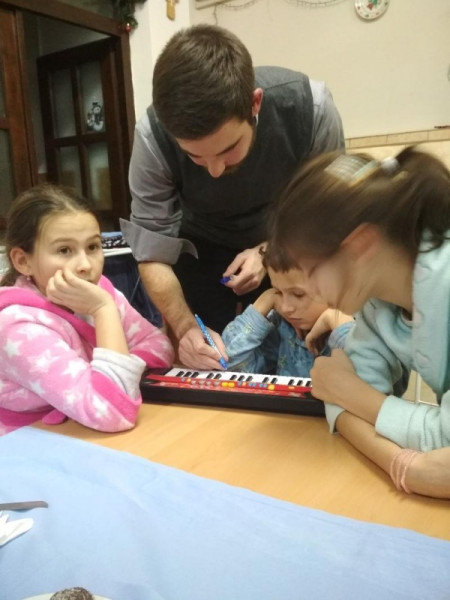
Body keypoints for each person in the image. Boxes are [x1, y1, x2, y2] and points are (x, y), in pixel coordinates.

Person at [120, 24, 345, 370]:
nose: (213, 170)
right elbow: (153, 254)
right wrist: (185, 328)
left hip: (291, 245)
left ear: (255, 103)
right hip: (198, 247)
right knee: (207, 362)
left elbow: (327, 215)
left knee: (294, 360)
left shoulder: (312, 109)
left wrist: (268, 251)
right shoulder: (153, 137)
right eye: (194, 156)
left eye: (228, 150)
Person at [266, 147, 450, 498]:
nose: (310, 289)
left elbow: (444, 439)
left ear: (361, 245)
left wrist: (352, 393)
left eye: (311, 271)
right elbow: (341, 404)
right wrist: (408, 467)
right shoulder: (378, 301)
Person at [0, 184, 174, 435]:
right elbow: (112, 412)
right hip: (27, 441)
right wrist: (103, 311)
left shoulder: (98, 291)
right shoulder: (17, 327)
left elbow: (159, 346)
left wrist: (108, 377)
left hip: (81, 430)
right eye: (64, 250)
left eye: (93, 247)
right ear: (23, 261)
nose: (85, 265)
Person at [222, 249, 354, 376]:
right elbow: (226, 367)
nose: (285, 307)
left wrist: (337, 322)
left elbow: (364, 375)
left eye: (298, 294)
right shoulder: (283, 323)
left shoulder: (361, 325)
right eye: (279, 291)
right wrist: (266, 300)